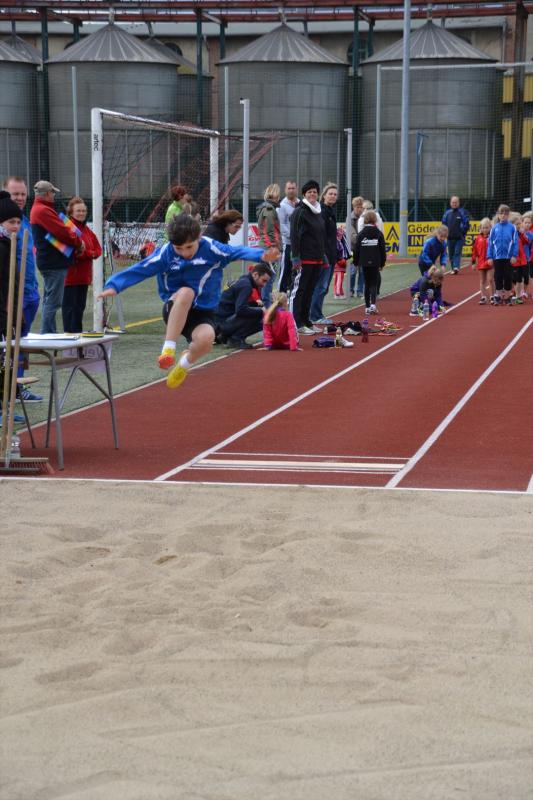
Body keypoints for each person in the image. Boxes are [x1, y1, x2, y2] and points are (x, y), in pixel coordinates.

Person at [99, 214, 279, 389]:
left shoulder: (212, 248)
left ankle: (184, 365)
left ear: (199, 237)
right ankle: (168, 349)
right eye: (179, 248)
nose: (184, 253)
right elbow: (141, 268)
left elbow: (237, 251)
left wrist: (261, 255)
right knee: (186, 292)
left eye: (189, 247)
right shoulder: (166, 253)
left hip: (203, 312)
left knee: (207, 340)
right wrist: (115, 285)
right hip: (175, 306)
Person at [3, 175, 42, 402]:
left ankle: (17, 387)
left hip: (30, 292)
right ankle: (8, 391)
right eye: (14, 194)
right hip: (12, 294)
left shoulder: (24, 221)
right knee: (9, 343)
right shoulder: (5, 224)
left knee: (22, 343)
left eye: (22, 194)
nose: (19, 198)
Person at [30, 180, 83, 334]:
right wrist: (78, 242)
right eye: (53, 192)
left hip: (49, 261)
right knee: (53, 302)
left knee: (49, 300)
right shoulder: (43, 210)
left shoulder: (39, 209)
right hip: (53, 262)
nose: (54, 195)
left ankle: (49, 332)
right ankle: (47, 333)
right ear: (47, 193)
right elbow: (62, 232)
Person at [289, 179, 328, 334]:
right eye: (309, 192)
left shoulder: (318, 212)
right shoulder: (299, 212)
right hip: (304, 259)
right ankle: (295, 323)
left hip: (316, 259)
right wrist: (295, 257)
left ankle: (306, 321)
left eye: (315, 192)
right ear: (304, 194)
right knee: (299, 291)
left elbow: (320, 236)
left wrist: (323, 256)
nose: (312, 194)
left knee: (310, 291)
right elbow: (294, 235)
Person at [0, 191, 25, 425]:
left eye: (18, 222)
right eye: (11, 222)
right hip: (2, 314)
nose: (15, 226)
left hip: (9, 312)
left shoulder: (9, 244)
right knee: (2, 362)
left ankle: (4, 407)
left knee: (6, 363)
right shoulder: (2, 247)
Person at [61, 196, 102, 333]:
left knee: (79, 310)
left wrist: (87, 253)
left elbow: (98, 250)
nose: (81, 213)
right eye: (78, 211)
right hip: (70, 278)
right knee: (69, 310)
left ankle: (77, 337)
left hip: (84, 278)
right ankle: (69, 337)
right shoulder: (68, 227)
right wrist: (89, 254)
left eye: (83, 211)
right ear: (71, 212)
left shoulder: (86, 230)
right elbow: (72, 252)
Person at [215, 264, 274, 348]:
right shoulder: (246, 285)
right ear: (255, 275)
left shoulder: (244, 280)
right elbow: (240, 309)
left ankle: (225, 336)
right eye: (263, 280)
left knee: (257, 309)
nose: (264, 285)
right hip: (221, 324)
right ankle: (235, 338)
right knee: (264, 317)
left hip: (218, 322)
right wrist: (262, 311)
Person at [310, 182, 338, 325]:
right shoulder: (322, 211)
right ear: (324, 195)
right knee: (320, 286)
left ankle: (315, 313)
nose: (333, 196)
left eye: (335, 194)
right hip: (324, 255)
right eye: (330, 194)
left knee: (323, 287)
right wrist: (324, 254)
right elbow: (320, 235)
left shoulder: (331, 211)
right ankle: (315, 315)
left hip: (331, 255)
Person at [353, 210, 386, 315]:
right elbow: (382, 250)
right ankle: (373, 305)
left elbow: (356, 249)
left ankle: (367, 307)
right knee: (373, 284)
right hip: (375, 261)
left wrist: (356, 261)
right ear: (375, 220)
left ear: (365, 220)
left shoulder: (361, 234)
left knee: (366, 284)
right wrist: (382, 263)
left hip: (364, 262)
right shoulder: (379, 233)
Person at [487, 204, 518, 305]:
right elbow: (490, 244)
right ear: (498, 214)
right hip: (497, 257)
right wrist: (490, 256)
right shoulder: (494, 228)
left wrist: (514, 255)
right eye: (501, 213)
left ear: (508, 215)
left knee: (508, 276)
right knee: (498, 276)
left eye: (505, 213)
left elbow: (515, 243)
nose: (503, 215)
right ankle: (499, 296)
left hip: (508, 257)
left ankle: (508, 296)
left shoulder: (512, 227)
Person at [256, 183, 281, 308]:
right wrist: (273, 247)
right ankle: (266, 305)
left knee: (267, 277)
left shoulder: (267, 208)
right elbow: (268, 231)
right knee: (269, 278)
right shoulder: (269, 210)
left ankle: (265, 304)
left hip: (268, 246)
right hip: (269, 247)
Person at [277, 180, 299, 293]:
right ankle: (280, 294)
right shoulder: (282, 206)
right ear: (285, 190)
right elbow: (281, 225)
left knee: (297, 270)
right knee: (285, 270)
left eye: (293, 188)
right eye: (289, 188)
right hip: (288, 244)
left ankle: (293, 294)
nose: (291, 190)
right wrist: (293, 236)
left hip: (299, 245)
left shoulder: (300, 203)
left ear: (296, 189)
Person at [442, 195, 470, 274]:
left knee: (457, 253)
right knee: (451, 254)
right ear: (450, 203)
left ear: (458, 203)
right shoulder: (447, 213)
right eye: (453, 202)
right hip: (449, 238)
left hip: (459, 238)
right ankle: (453, 268)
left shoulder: (463, 212)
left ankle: (456, 267)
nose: (454, 204)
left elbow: (467, 224)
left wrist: (462, 232)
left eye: (456, 202)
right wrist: (445, 234)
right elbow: (443, 224)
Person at [471, 217, 494, 305]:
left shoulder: (492, 237)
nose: (485, 229)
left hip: (490, 262)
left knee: (490, 279)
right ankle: (483, 297)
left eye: (487, 227)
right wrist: (473, 263)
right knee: (482, 280)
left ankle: (492, 296)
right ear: (480, 228)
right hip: (481, 263)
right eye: (483, 228)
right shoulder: (477, 238)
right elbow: (474, 251)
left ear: (490, 227)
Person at [509, 212, 528, 304]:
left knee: (521, 279)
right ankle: (516, 295)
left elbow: (526, 242)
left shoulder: (521, 234)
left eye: (520, 224)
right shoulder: (510, 234)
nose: (519, 226)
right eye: (517, 224)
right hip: (514, 260)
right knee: (516, 279)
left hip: (522, 260)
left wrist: (523, 234)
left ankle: (518, 296)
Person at [349, 196, 365, 298]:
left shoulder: (365, 217)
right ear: (353, 207)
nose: (359, 209)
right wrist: (364, 239)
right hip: (353, 249)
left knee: (362, 271)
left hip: (364, 249)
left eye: (361, 207)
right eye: (357, 207)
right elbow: (352, 236)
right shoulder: (350, 218)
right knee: (353, 271)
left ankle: (360, 290)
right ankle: (350, 290)